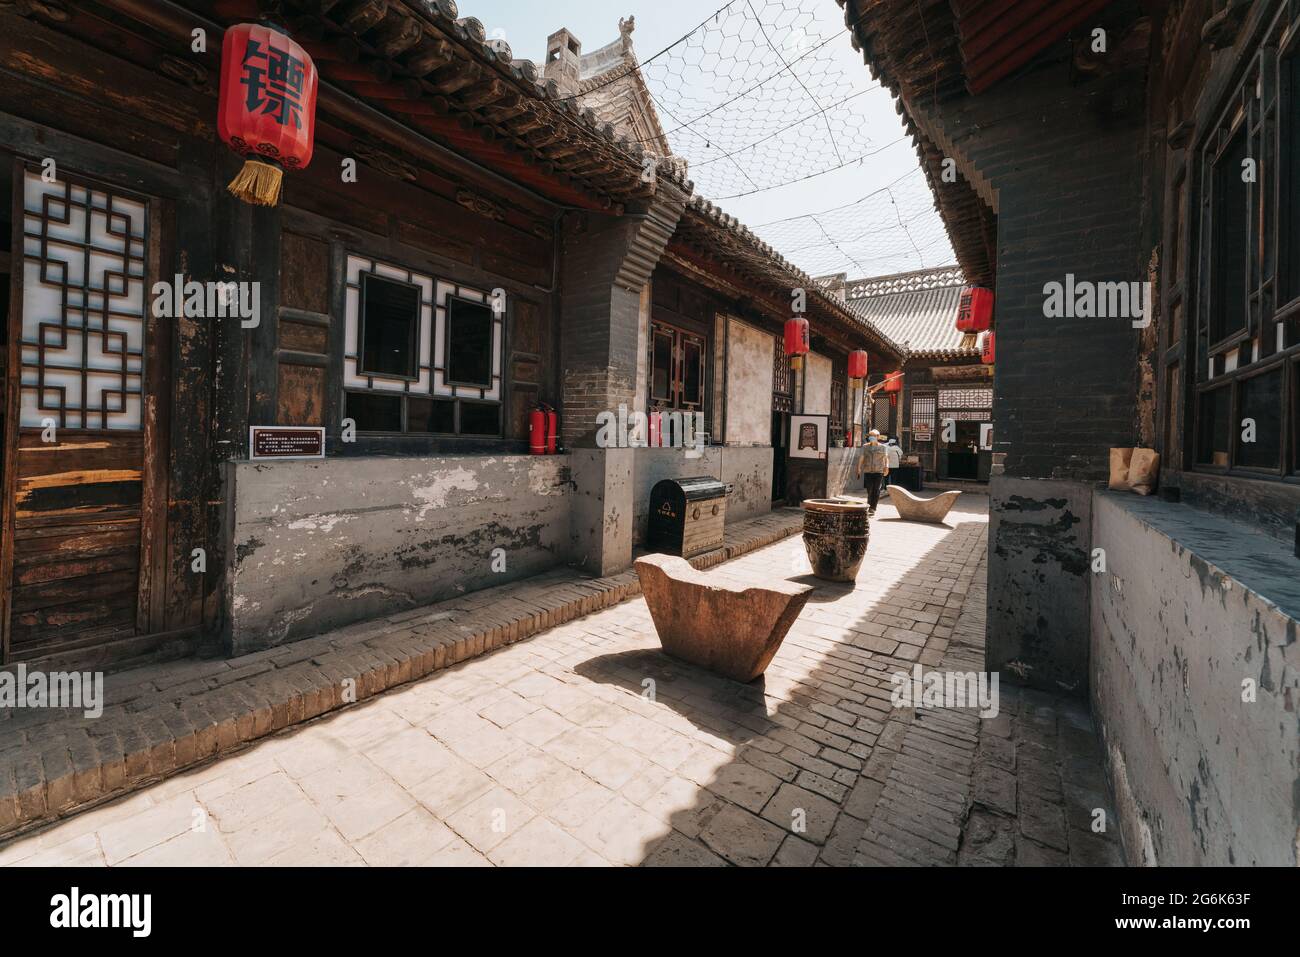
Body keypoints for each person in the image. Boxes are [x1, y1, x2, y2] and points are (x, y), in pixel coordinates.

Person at [856, 429, 889, 513]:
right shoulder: (865, 446)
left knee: (876, 490)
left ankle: (873, 508)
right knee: (869, 490)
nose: (871, 437)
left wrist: (887, 467)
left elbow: (886, 458)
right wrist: (859, 468)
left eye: (873, 436)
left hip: (879, 471)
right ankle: (869, 504)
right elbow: (862, 457)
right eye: (870, 435)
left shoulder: (883, 447)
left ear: (878, 437)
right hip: (868, 471)